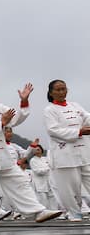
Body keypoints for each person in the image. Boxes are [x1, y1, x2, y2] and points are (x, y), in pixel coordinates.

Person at [0, 74, 61, 224]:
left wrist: (23, 101)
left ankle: (37, 212)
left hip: (1, 155)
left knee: (19, 181)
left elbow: (15, 119)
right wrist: (1, 123)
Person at [43, 79, 90, 222]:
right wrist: (79, 131)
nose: (62, 92)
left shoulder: (75, 106)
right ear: (51, 92)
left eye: (63, 88)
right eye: (58, 89)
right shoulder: (49, 110)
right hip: (65, 154)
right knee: (70, 187)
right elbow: (53, 130)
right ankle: (74, 212)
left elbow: (87, 118)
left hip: (83, 152)